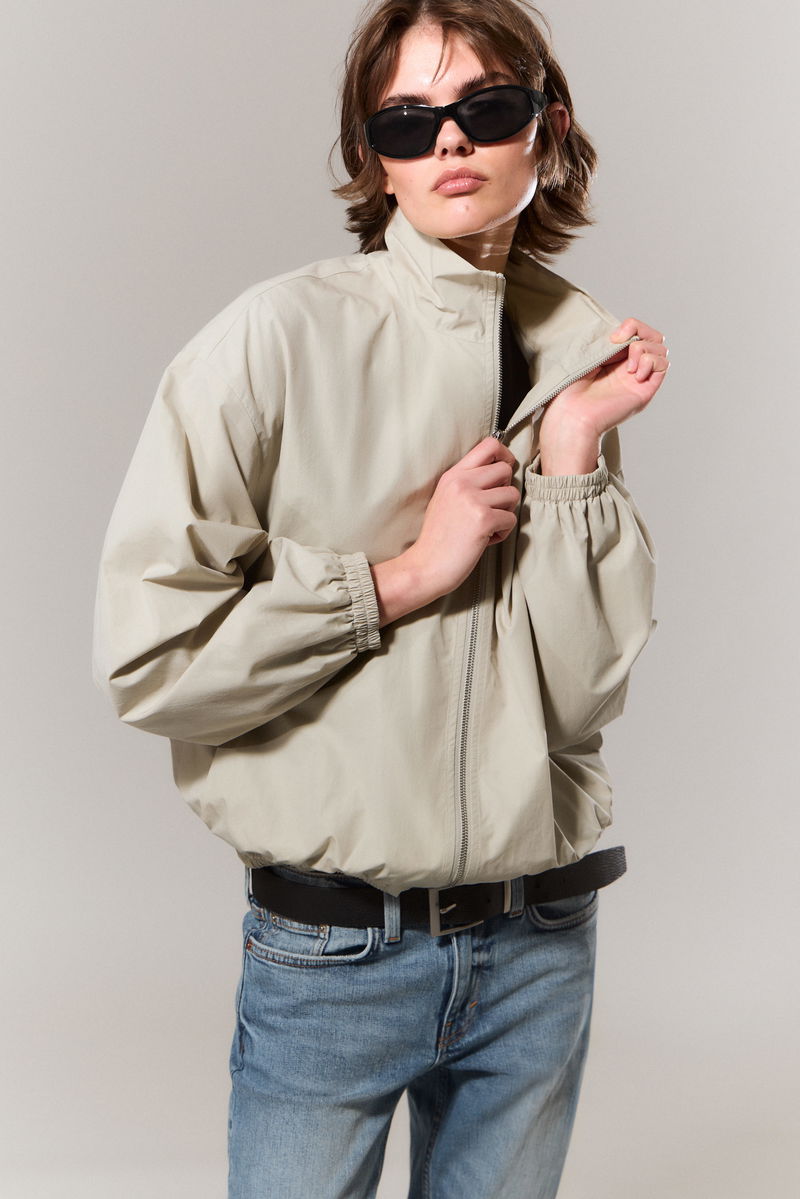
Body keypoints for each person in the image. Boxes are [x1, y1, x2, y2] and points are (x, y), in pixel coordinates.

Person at [92, 1, 667, 1194]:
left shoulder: (575, 359)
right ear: (374, 157)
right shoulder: (272, 340)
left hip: (538, 945)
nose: (448, 141)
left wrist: (571, 455)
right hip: (333, 955)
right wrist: (403, 575)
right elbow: (153, 663)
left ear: (548, 127)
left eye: (486, 108)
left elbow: (577, 696)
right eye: (407, 121)